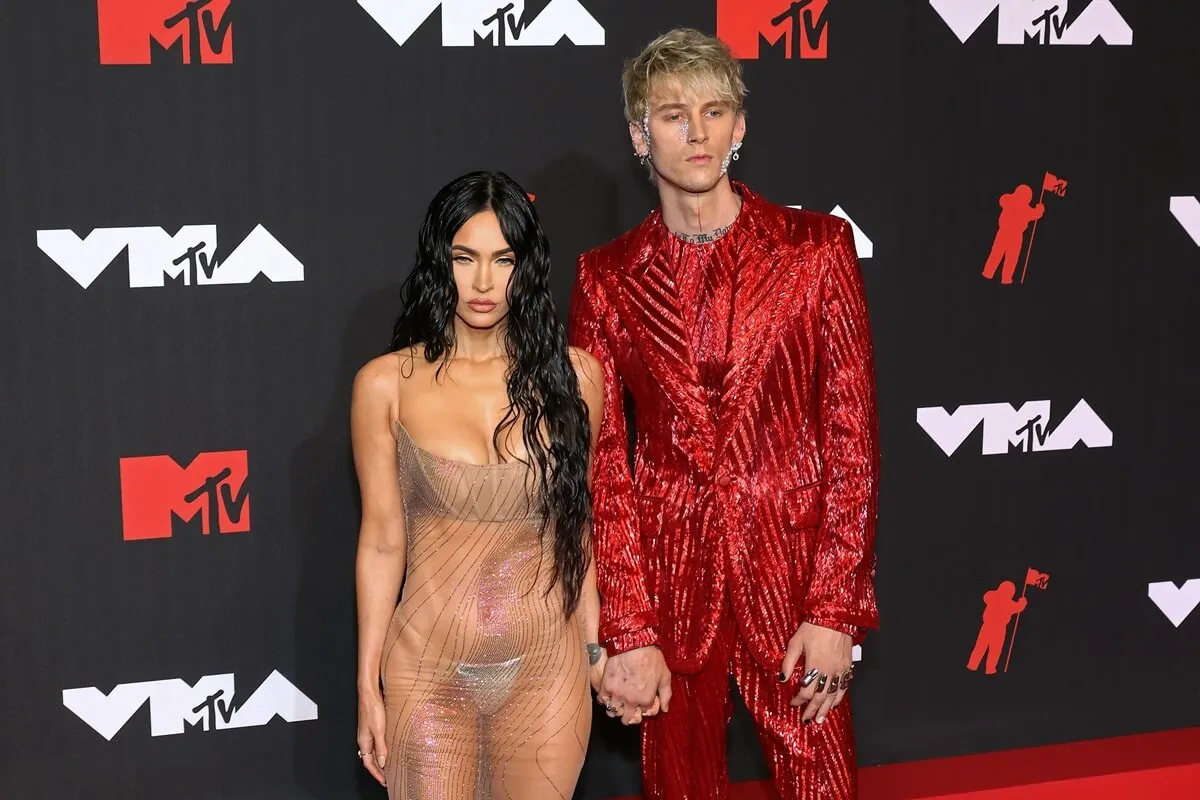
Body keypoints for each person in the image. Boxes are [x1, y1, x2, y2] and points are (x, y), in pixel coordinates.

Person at [567, 28, 880, 800]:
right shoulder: (604, 279)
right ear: (641, 135)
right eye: (674, 115)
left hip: (796, 579)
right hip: (671, 587)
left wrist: (836, 608)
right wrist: (628, 631)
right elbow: (603, 469)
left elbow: (851, 437)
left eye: (715, 111)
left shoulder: (816, 250)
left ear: (740, 126)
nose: (697, 132)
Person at [351, 171, 608, 798]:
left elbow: (580, 531)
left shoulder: (578, 378)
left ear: (527, 267)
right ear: (441, 261)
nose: (485, 283)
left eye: (504, 259)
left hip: (547, 670)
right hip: (426, 672)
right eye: (465, 258)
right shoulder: (386, 385)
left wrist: (598, 652)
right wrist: (367, 684)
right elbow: (382, 541)